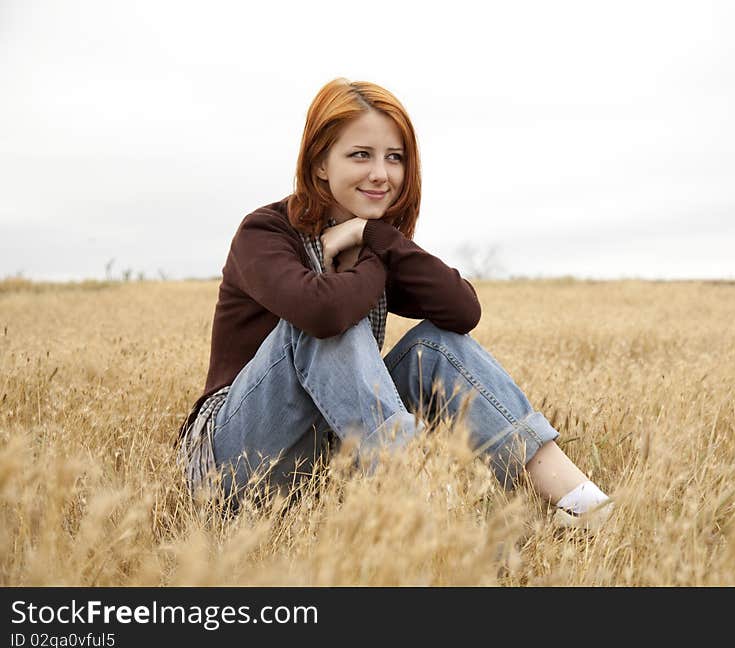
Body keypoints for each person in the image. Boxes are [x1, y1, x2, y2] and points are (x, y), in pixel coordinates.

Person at [177, 78, 613, 530]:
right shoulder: (264, 234)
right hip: (229, 465)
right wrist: (373, 252)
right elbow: (322, 313)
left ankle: (586, 508)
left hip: (324, 462)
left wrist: (374, 236)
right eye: (360, 155)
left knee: (436, 347)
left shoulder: (373, 244)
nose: (381, 174)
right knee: (331, 325)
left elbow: (463, 311)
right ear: (321, 164)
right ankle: (428, 513)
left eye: (395, 158)